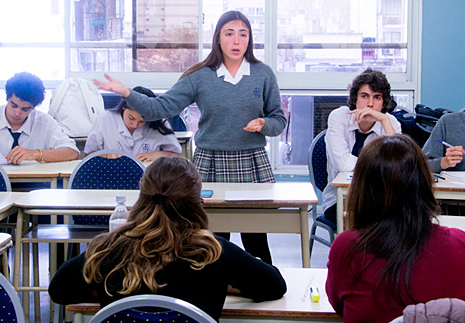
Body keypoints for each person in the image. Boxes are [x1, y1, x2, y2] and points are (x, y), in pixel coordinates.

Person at [93, 11, 286, 264]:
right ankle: (215, 293)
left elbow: (278, 121)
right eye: (229, 34)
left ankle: (265, 289)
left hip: (251, 161)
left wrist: (264, 124)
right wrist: (127, 93)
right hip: (210, 162)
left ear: (250, 39)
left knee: (256, 237)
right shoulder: (200, 75)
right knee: (210, 238)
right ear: (218, 38)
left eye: (243, 34)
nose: (237, 41)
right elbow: (158, 108)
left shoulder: (263, 74)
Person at [49, 156, 287, 321]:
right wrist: (228, 284)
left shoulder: (109, 249)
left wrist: (107, 284)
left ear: (142, 197)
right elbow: (275, 286)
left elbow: (59, 290)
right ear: (197, 203)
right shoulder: (213, 252)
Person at [325, 134, 465, 323]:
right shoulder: (460, 246)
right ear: (424, 184)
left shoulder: (347, 247)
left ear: (361, 189)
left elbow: (339, 305)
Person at [320, 68, 401, 229]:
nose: (370, 104)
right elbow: (342, 164)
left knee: (402, 217)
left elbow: (398, 165)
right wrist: (380, 168)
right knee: (375, 222)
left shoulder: (390, 122)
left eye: (377, 97)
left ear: (384, 102)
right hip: (341, 199)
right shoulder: (338, 117)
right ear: (355, 99)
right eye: (364, 96)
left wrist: (384, 121)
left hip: (381, 199)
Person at [0, 72, 79, 164]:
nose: (17, 113)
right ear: (7, 99)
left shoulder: (44, 122)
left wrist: (37, 154)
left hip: (34, 178)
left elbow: (72, 152)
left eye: (25, 109)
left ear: (33, 107)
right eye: (14, 105)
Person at [84, 86, 182, 162]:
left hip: (149, 179)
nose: (134, 125)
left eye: (142, 121)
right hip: (112, 176)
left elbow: (177, 156)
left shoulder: (159, 123)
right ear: (123, 107)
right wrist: (106, 156)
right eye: (131, 118)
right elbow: (88, 154)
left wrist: (158, 155)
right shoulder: (105, 119)